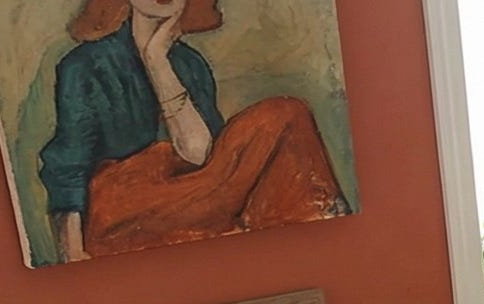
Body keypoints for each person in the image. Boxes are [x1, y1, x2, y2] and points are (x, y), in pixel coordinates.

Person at [37, 0, 347, 263]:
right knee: (285, 113)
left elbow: (202, 158)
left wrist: (156, 59)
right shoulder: (84, 65)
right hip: (121, 211)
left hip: (189, 202)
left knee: (287, 119)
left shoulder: (191, 65)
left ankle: (318, 250)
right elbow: (68, 166)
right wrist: (73, 254)